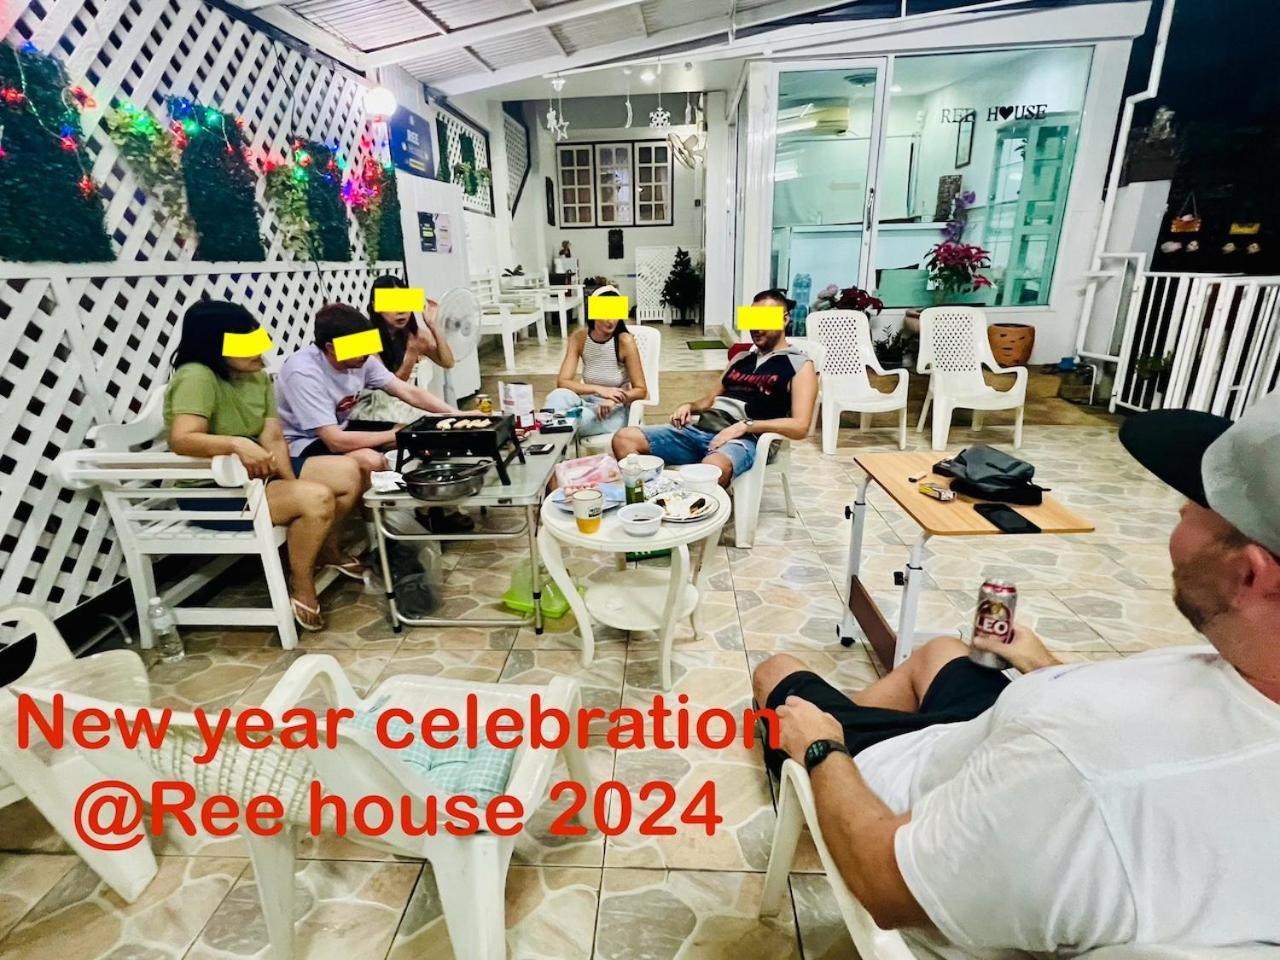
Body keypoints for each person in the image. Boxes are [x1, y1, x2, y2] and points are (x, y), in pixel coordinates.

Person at [753, 393, 1280, 956]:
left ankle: (825, 759)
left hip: (917, 803)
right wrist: (1041, 665)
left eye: (1196, 504)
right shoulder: (1247, 682)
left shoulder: (1083, 769)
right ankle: (860, 723)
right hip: (989, 740)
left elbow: (886, 888)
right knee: (942, 651)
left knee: (776, 674)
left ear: (1251, 574)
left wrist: (823, 749)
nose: (1177, 513)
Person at [164, 300, 365, 632]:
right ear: (216, 343)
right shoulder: (196, 376)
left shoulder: (255, 376)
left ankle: (327, 549)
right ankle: (301, 580)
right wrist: (235, 444)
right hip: (213, 491)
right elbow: (182, 439)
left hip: (259, 476)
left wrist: (289, 482)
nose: (259, 350)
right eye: (246, 341)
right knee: (317, 498)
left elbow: (272, 436)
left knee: (348, 471)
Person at [612, 289, 817, 486]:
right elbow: (709, 401)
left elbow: (800, 427)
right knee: (624, 439)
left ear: (785, 319)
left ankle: (701, 501)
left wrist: (746, 426)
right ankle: (652, 496)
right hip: (702, 429)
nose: (756, 328)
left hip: (745, 439)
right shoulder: (741, 358)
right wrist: (689, 406)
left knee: (711, 471)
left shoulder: (800, 365)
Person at [275, 302, 458, 490]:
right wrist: (396, 434)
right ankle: (377, 508)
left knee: (419, 436)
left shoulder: (362, 360)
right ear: (331, 348)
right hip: (304, 442)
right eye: (357, 348)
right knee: (371, 459)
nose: (366, 354)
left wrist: (456, 414)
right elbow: (335, 441)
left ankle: (426, 498)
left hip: (341, 427)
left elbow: (407, 391)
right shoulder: (303, 373)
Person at [544, 285, 648, 438]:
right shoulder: (579, 338)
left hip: (614, 411)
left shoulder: (625, 341)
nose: (611, 321)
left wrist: (614, 400)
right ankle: (545, 442)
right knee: (557, 397)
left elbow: (641, 390)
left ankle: (552, 436)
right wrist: (599, 389)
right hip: (587, 402)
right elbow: (563, 382)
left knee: (574, 419)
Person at [355, 275, 456, 423]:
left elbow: (448, 362)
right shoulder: (362, 338)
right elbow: (390, 387)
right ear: (376, 306)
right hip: (366, 408)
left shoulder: (415, 335)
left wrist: (433, 326)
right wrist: (411, 354)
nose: (401, 310)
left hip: (397, 405)